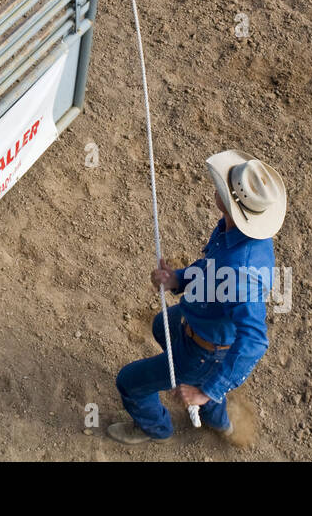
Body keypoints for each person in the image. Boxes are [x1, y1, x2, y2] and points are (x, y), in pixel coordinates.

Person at [109, 150, 286, 444]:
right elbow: (211, 268)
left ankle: (157, 428)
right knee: (160, 324)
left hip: (206, 350)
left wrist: (206, 392)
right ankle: (218, 418)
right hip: (202, 326)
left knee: (128, 382)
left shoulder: (242, 271)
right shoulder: (237, 233)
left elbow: (254, 341)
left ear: (231, 204)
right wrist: (177, 278)